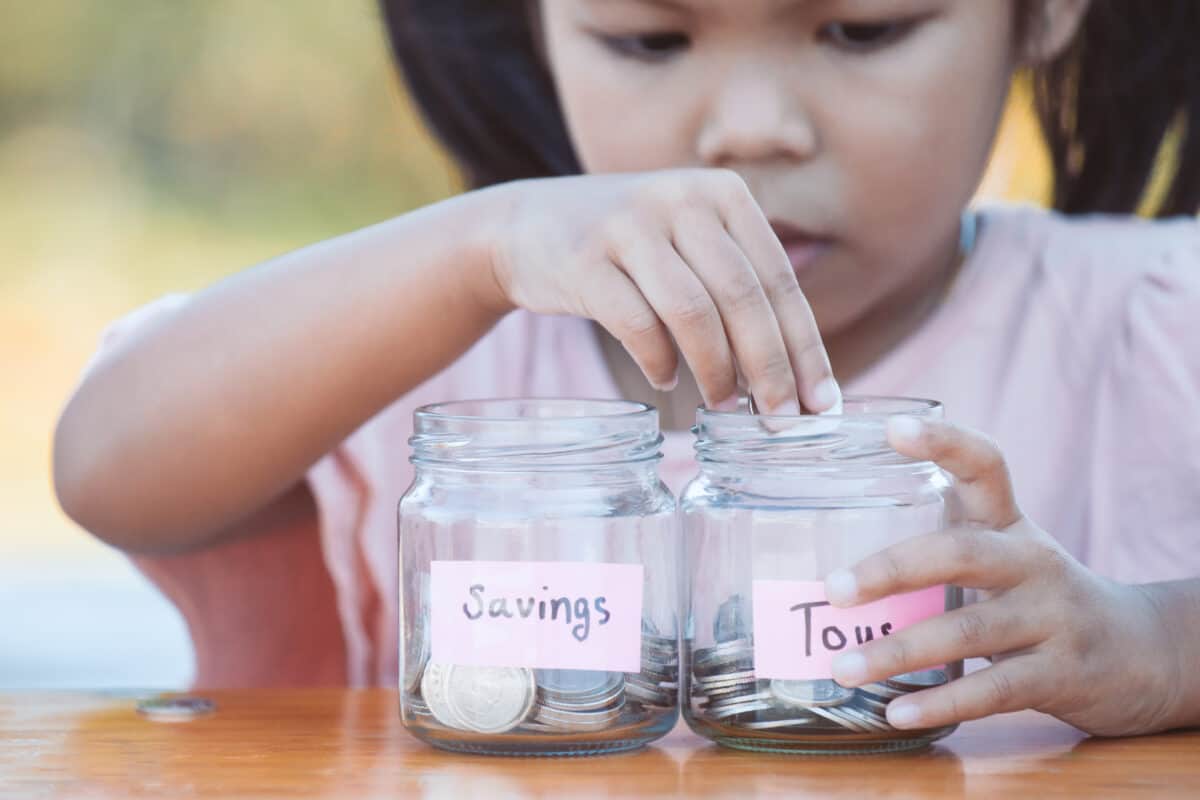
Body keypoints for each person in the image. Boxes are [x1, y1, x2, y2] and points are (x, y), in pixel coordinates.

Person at [53, 0, 1199, 735]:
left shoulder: (1158, 317)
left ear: (1043, 13)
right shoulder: (435, 352)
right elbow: (104, 462)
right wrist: (477, 245)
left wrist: (1151, 641)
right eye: (651, 41)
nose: (751, 129)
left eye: (862, 29)